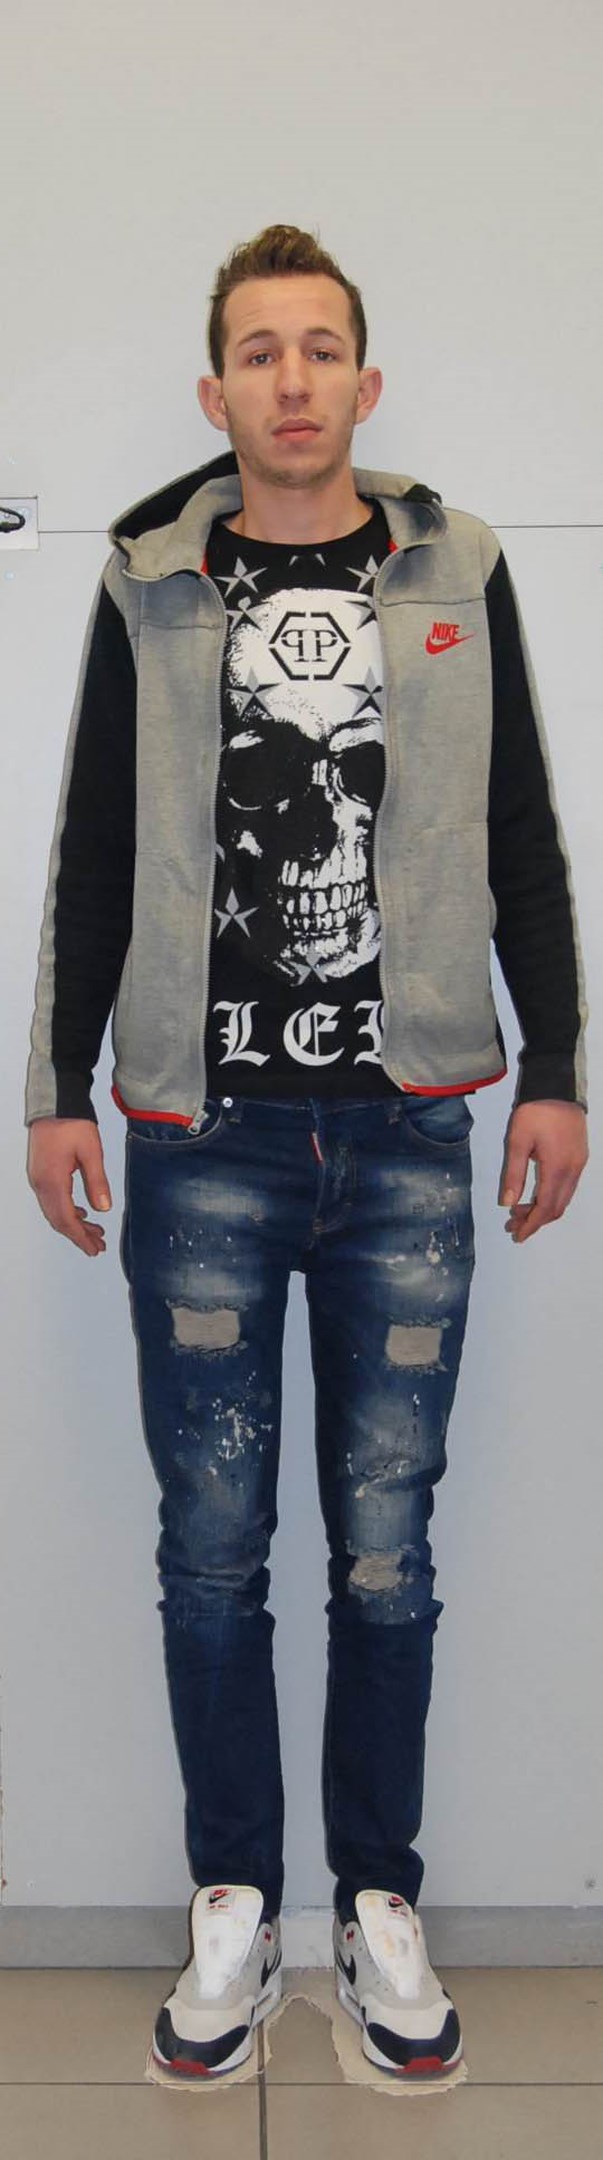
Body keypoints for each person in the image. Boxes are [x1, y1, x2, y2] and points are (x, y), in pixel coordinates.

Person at [25, 223, 589, 2082]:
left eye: (320, 347)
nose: (291, 379)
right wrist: (53, 1090)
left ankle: (377, 1902)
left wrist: (556, 1067)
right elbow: (94, 847)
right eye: (259, 351)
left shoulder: (461, 570)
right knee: (210, 1549)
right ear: (216, 392)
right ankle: (235, 1906)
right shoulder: (149, 583)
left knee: (386, 1550)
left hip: (413, 1134)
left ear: (365, 381)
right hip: (203, 1138)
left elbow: (520, 829)